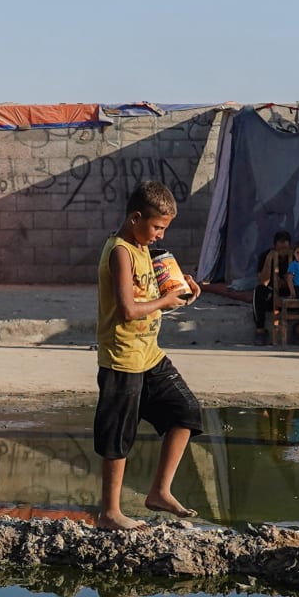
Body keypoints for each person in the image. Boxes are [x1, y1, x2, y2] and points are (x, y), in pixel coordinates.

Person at [95, 181, 203, 531]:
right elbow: (128, 308)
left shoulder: (144, 249)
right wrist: (164, 302)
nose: (159, 235)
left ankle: (159, 491)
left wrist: (182, 294)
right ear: (135, 217)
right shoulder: (120, 251)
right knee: (118, 437)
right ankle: (110, 513)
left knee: (186, 411)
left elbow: (154, 298)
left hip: (150, 356)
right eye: (157, 227)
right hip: (122, 359)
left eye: (164, 229)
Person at [250, 230, 293, 345]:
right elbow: (263, 281)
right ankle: (260, 331)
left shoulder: (295, 257)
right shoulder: (266, 256)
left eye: (285, 249)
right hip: (272, 294)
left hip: (291, 293)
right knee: (259, 291)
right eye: (280, 250)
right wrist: (270, 260)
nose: (283, 253)